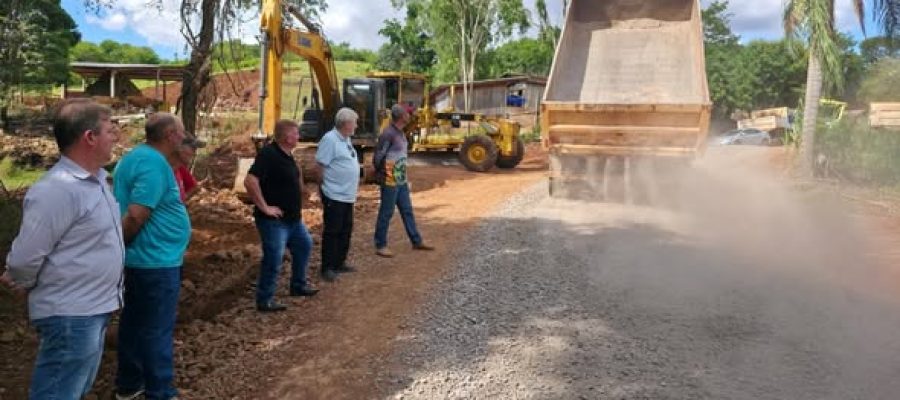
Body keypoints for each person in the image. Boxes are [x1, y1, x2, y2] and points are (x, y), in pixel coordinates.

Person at [1, 98, 123, 399]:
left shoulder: (98, 181)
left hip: (91, 310)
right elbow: (24, 258)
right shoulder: (57, 190)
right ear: (89, 137)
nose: (116, 136)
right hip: (71, 314)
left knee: (72, 390)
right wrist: (23, 282)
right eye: (110, 129)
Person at [113, 113, 191, 400]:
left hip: (146, 259)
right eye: (182, 132)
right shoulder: (153, 164)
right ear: (170, 135)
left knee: (135, 323)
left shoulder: (136, 158)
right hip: (155, 261)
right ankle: (160, 391)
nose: (184, 138)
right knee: (156, 329)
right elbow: (135, 215)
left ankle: (130, 384)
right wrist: (119, 247)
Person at [244, 119, 319, 313]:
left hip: (293, 219)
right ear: (286, 137)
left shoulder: (288, 155)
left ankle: (298, 285)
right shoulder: (269, 154)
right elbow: (250, 181)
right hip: (274, 222)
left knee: (304, 245)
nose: (299, 136)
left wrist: (302, 192)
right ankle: (265, 299)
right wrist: (265, 207)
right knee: (274, 258)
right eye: (296, 133)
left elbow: (293, 176)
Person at [372, 104, 435, 257]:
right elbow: (378, 156)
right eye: (407, 114)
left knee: (407, 210)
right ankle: (380, 245)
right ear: (401, 117)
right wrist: (383, 173)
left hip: (401, 177)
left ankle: (416, 241)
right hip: (390, 177)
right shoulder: (388, 134)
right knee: (386, 212)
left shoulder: (400, 132)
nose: (409, 116)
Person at [315, 107, 362, 282]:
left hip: (347, 195)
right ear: (346, 123)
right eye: (354, 122)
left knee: (345, 229)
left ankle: (339, 262)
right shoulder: (330, 140)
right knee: (332, 231)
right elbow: (319, 167)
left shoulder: (345, 139)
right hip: (334, 194)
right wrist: (323, 189)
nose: (356, 126)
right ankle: (327, 267)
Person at [172, 136, 205, 201]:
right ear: (179, 148)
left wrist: (182, 199)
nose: (194, 152)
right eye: (191, 148)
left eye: (195, 149)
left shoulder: (180, 169)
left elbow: (194, 187)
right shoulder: (162, 169)